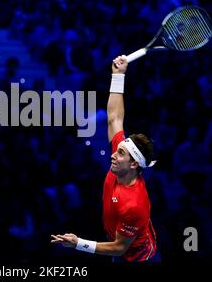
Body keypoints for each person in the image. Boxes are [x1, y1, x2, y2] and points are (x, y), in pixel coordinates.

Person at [51, 55, 160, 262]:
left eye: (120, 153)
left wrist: (78, 243)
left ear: (134, 164)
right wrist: (118, 75)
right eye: (117, 150)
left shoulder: (134, 204)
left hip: (137, 260)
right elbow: (114, 117)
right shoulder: (122, 161)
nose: (113, 154)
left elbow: (119, 248)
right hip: (119, 245)